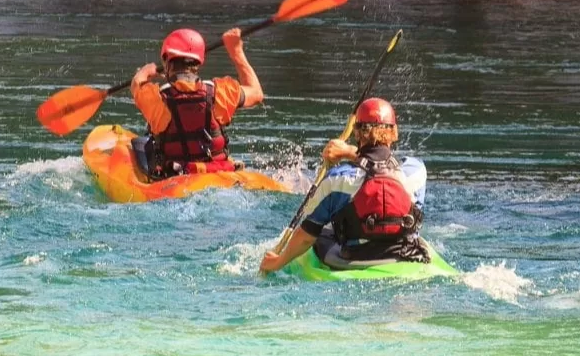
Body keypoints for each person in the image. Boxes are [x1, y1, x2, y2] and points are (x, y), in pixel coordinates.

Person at [260, 98, 428, 272]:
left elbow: (305, 238)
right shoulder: (416, 172)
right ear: (395, 133)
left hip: (355, 259)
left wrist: (276, 263)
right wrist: (349, 152)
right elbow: (385, 165)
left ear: (356, 133)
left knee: (323, 229)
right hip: (404, 255)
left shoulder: (338, 179)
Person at [130, 27, 265, 180]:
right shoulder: (221, 92)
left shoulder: (156, 99)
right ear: (199, 62)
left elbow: (136, 85)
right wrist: (236, 52)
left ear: (167, 62)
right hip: (222, 178)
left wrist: (145, 72)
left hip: (175, 181)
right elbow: (257, 93)